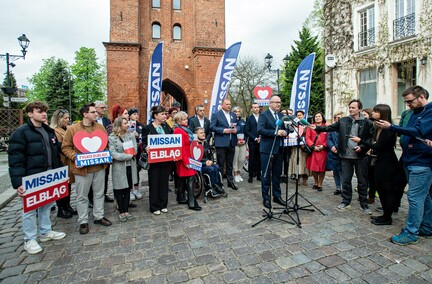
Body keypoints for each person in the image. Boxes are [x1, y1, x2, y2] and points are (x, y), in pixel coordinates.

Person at [374, 86, 432, 244]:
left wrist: (391, 127)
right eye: (405, 102)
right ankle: (427, 226)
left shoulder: (429, 111)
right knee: (424, 196)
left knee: (414, 197)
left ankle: (411, 233)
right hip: (409, 159)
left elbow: (417, 131)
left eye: (410, 101)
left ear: (421, 97)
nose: (407, 105)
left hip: (421, 162)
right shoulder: (414, 112)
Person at [8, 101, 66, 254]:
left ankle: (45, 231)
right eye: (39, 111)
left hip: (49, 174)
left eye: (44, 111)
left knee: (47, 203)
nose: (43, 113)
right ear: (30, 114)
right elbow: (16, 159)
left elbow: (55, 155)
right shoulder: (21, 133)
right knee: (30, 208)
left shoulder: (48, 131)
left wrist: (60, 174)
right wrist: (18, 182)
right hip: (31, 176)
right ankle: (30, 239)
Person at [311, 99, 374, 214]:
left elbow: (370, 138)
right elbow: (330, 128)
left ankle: (364, 204)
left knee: (362, 181)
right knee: (346, 180)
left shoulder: (367, 122)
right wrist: (317, 128)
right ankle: (346, 201)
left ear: (359, 109)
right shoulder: (344, 120)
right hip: (346, 156)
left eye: (353, 107)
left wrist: (363, 147)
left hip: (360, 157)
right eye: (349, 107)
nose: (350, 109)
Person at [351, 104, 406, 226]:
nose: (373, 113)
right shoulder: (377, 127)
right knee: (380, 189)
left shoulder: (388, 129)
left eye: (376, 111)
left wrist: (361, 141)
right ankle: (385, 215)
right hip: (379, 161)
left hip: (387, 163)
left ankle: (388, 217)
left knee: (386, 190)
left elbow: (380, 146)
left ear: (383, 113)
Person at [62, 103, 112, 234]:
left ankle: (99, 216)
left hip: (99, 167)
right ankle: (83, 221)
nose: (96, 114)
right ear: (85, 114)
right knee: (82, 196)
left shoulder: (100, 128)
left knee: (99, 193)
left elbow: (106, 145)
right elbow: (65, 147)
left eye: (96, 112)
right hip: (82, 169)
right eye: (93, 112)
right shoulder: (73, 129)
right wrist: (76, 158)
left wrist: (106, 155)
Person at [257, 95, 287, 208]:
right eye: (275, 102)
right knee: (266, 175)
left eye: (279, 102)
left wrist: (285, 132)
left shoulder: (281, 116)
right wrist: (275, 133)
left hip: (279, 149)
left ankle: (277, 196)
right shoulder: (264, 115)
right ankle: (266, 198)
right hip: (267, 150)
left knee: (277, 174)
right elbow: (260, 129)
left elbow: (285, 129)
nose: (278, 104)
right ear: (270, 103)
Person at [142, 105, 173, 215]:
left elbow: (172, 139)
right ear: (155, 115)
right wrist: (146, 148)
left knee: (164, 183)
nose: (165, 116)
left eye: (165, 114)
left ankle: (163, 204)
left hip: (166, 159)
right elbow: (144, 143)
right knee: (154, 183)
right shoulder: (147, 128)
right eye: (162, 114)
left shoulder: (167, 127)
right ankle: (154, 206)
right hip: (154, 161)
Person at [108, 117, 138, 221]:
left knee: (128, 188)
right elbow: (113, 153)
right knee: (119, 189)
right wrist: (127, 156)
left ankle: (126, 210)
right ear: (119, 125)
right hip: (119, 167)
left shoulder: (130, 135)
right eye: (125, 123)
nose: (128, 125)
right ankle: (121, 211)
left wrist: (131, 155)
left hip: (130, 166)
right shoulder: (112, 138)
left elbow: (135, 149)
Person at [50, 109, 77, 219]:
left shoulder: (67, 129)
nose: (68, 120)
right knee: (61, 186)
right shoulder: (54, 131)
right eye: (65, 118)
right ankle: (61, 208)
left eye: (68, 118)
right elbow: (61, 147)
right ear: (59, 119)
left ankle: (67, 205)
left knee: (68, 185)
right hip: (61, 162)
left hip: (68, 161)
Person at [173, 111, 202, 210]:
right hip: (184, 159)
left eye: (186, 119)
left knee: (182, 179)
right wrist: (186, 162)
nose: (186, 121)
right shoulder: (178, 131)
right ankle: (192, 202)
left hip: (188, 156)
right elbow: (181, 147)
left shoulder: (184, 129)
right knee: (190, 179)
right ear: (178, 120)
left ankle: (181, 198)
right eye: (184, 119)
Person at [210, 99, 239, 190]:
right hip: (221, 143)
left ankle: (230, 182)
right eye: (226, 104)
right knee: (221, 164)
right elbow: (212, 127)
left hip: (231, 142)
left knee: (230, 164)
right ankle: (219, 183)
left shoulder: (233, 115)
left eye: (230, 104)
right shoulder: (216, 115)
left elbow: (237, 125)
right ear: (222, 105)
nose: (228, 106)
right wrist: (223, 130)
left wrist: (236, 129)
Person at [94, 100, 114, 203]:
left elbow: (110, 133)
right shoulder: (92, 121)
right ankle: (91, 198)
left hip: (106, 150)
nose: (104, 109)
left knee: (105, 173)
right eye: (102, 108)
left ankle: (104, 193)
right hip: (95, 152)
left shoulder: (106, 120)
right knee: (94, 175)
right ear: (96, 108)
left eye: (104, 107)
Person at [195, 127, 224, 195]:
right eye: (201, 133)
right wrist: (205, 163)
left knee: (216, 166)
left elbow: (210, 155)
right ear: (196, 135)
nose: (203, 134)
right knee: (211, 169)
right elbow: (194, 160)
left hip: (208, 163)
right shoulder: (194, 145)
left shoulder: (206, 143)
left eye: (203, 132)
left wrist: (211, 161)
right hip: (199, 165)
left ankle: (217, 185)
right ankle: (214, 186)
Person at [305, 112, 328, 191]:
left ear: (322, 117)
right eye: (316, 116)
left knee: (322, 168)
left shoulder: (326, 127)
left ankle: (320, 183)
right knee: (314, 168)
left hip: (323, 150)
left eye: (319, 116)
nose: (317, 118)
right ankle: (315, 182)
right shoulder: (310, 127)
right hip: (314, 150)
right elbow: (307, 138)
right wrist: (312, 146)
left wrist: (323, 146)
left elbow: (329, 138)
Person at [288, 110, 309, 186]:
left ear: (303, 116)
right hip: (296, 147)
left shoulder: (307, 125)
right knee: (297, 162)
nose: (299, 116)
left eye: (300, 115)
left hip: (304, 147)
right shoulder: (294, 126)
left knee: (305, 163)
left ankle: (305, 178)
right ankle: (298, 177)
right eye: (297, 115)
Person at [128, 107, 145, 199]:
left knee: (136, 170)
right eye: (134, 114)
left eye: (137, 114)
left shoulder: (140, 125)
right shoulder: (126, 125)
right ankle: (130, 190)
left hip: (138, 150)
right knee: (129, 171)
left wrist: (139, 136)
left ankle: (136, 188)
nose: (136, 116)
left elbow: (144, 136)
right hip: (129, 151)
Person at [326, 112, 344, 195]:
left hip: (341, 153)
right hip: (333, 153)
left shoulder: (345, 127)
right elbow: (328, 139)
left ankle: (344, 189)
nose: (337, 119)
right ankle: (338, 188)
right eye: (335, 117)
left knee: (342, 172)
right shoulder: (332, 128)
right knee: (335, 171)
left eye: (339, 117)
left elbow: (345, 139)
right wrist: (332, 147)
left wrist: (337, 148)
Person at [245, 103, 261, 183]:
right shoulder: (249, 118)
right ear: (252, 109)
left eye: (257, 107)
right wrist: (255, 138)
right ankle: (250, 175)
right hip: (252, 142)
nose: (256, 109)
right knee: (252, 159)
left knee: (259, 159)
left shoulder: (262, 117)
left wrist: (260, 138)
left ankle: (259, 175)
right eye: (254, 107)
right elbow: (246, 131)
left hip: (261, 141)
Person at [232, 106, 247, 183]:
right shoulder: (231, 122)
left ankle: (239, 173)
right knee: (235, 159)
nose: (237, 113)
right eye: (235, 112)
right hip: (235, 143)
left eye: (238, 112)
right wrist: (236, 141)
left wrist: (245, 140)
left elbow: (246, 132)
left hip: (243, 143)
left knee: (242, 159)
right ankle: (235, 174)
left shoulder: (243, 122)